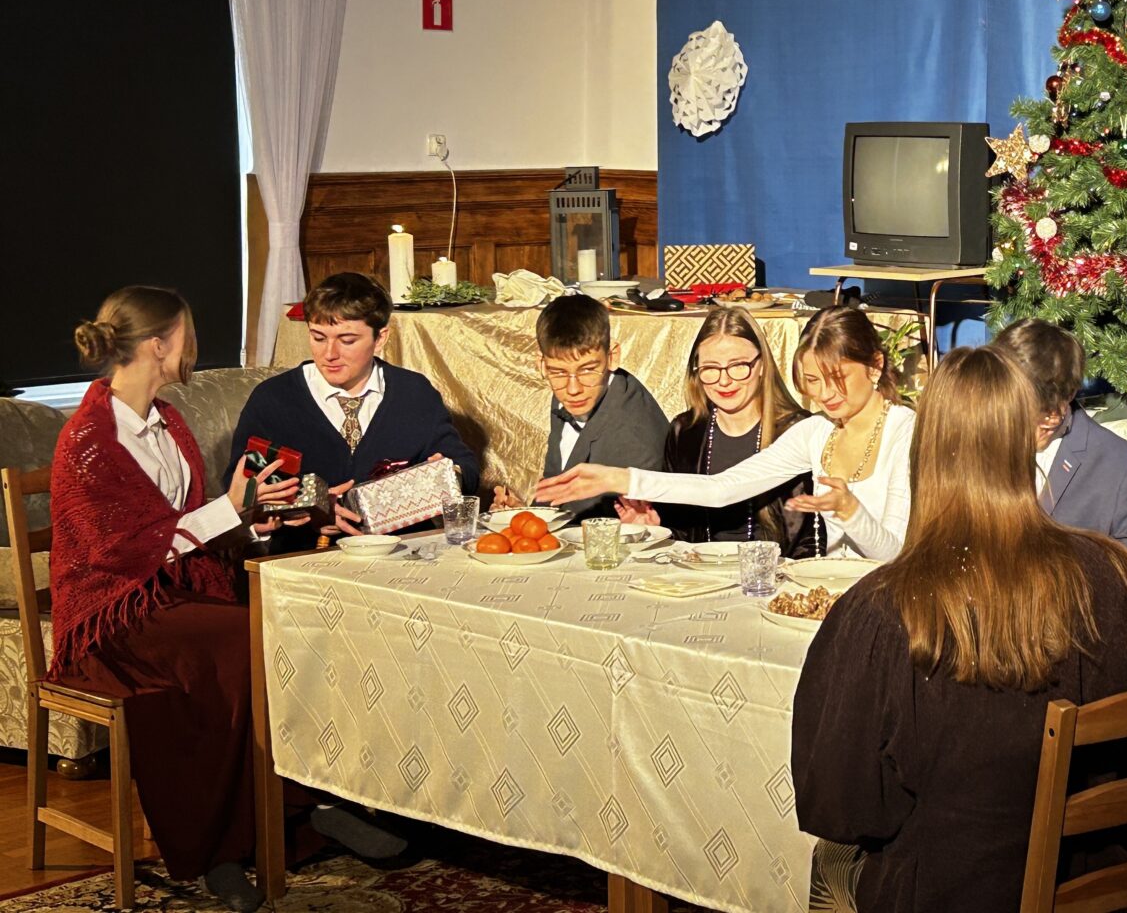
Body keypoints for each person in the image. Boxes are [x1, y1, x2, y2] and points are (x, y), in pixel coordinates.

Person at [790, 346, 1127, 912]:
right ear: (1026, 443)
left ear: (926, 454)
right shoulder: (1114, 573)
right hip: (1105, 888)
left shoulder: (882, 609)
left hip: (943, 892)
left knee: (830, 862)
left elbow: (840, 809)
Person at [49, 287, 401, 912]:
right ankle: (224, 847)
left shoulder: (169, 422)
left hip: (176, 597)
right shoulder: (89, 439)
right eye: (186, 334)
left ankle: (309, 806)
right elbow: (123, 552)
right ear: (159, 345)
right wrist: (229, 510)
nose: (193, 345)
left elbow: (188, 526)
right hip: (115, 614)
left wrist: (255, 517)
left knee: (287, 627)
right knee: (240, 646)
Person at [537, 306, 911, 559]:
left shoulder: (906, 431)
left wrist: (850, 511)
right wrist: (614, 477)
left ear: (875, 366)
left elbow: (894, 554)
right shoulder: (816, 432)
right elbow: (720, 489)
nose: (826, 394)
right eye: (813, 381)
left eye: (837, 379)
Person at [228, 272, 480, 546]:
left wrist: (442, 478)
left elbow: (466, 470)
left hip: (399, 557)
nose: (329, 354)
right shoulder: (274, 399)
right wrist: (312, 506)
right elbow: (240, 485)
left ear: (380, 338)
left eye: (347, 340)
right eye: (318, 337)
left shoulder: (414, 393)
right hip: (305, 558)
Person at [986, 318, 1127, 577]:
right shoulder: (971, 444)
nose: (1051, 417)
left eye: (1060, 400)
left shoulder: (1125, 468)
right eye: (1031, 406)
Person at [640, 307, 819, 556]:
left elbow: (812, 538)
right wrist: (657, 528)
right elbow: (681, 529)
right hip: (700, 575)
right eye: (711, 368)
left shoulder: (798, 430)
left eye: (738, 366)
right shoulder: (686, 431)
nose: (724, 381)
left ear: (762, 365)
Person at [490, 294, 667, 519]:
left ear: (612, 357)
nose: (573, 389)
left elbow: (605, 528)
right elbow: (557, 492)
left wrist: (537, 526)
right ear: (541, 365)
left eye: (587, 369)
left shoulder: (634, 434)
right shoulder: (576, 390)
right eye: (558, 372)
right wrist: (525, 515)